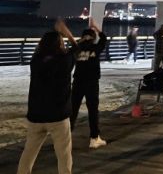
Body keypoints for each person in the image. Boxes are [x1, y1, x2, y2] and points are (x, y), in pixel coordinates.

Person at [18, 20, 78, 174]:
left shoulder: (36, 61)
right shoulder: (64, 61)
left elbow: (41, 53)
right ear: (60, 45)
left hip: (36, 115)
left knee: (29, 153)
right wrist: (68, 34)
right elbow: (76, 49)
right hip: (58, 116)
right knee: (64, 155)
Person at [70, 21, 107, 149]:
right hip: (92, 82)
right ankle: (94, 138)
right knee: (93, 110)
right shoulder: (95, 48)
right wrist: (96, 28)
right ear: (93, 37)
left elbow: (70, 48)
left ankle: (65, 136)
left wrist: (80, 41)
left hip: (78, 81)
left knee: (73, 109)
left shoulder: (77, 48)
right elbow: (104, 39)